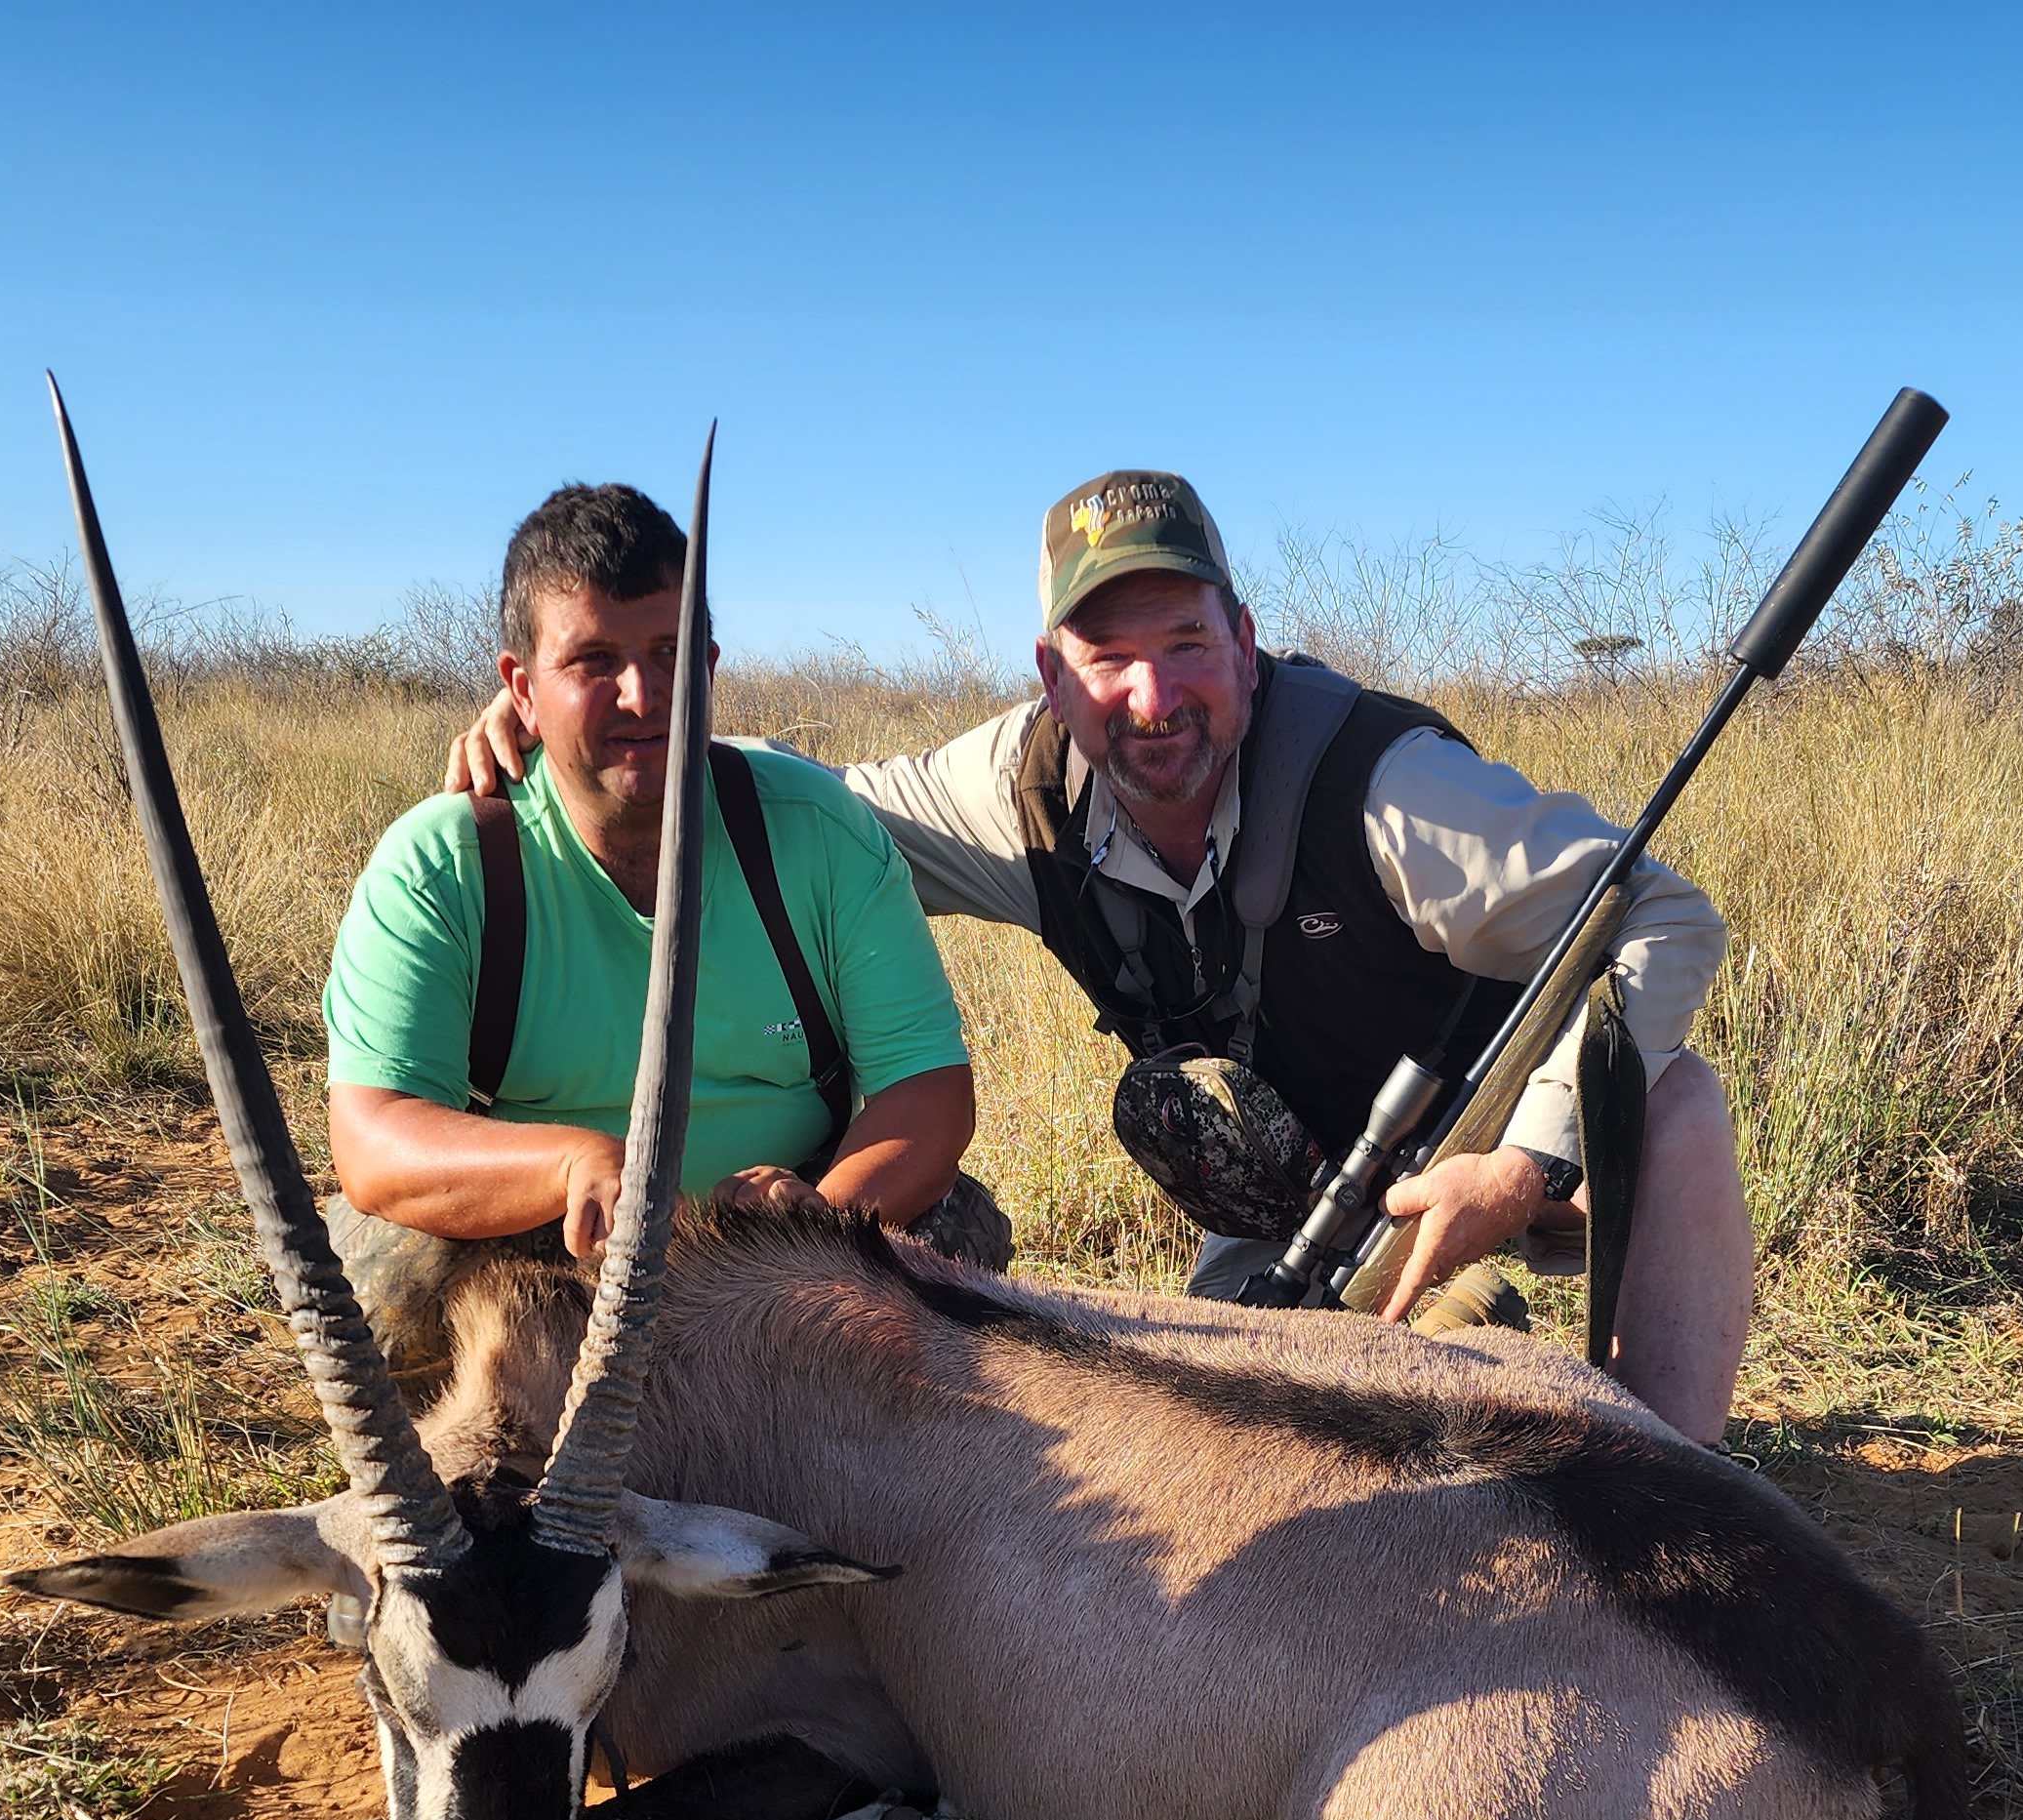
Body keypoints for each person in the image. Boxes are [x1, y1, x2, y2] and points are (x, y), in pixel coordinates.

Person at [455, 469, 1755, 1443]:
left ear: (1244, 642)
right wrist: (579, 736)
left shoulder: (1390, 794)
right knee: (1252, 1434)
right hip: (1305, 1217)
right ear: (1052, 674)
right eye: (1107, 657)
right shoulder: (1013, 791)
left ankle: (1686, 1475)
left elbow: (1665, 915)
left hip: (1498, 1172)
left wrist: (1519, 1167)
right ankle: (1443, 1354)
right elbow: (800, 820)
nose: (1150, 696)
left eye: (1186, 645)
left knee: (1676, 1102)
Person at [326, 480, 1002, 1346]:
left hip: (785, 1238)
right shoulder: (439, 863)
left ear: (709, 668)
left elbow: (930, 1094)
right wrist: (572, 1164)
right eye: (593, 661)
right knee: (379, 1279)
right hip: (552, 1243)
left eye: (669, 654)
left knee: (956, 1234)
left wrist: (816, 1223)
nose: (643, 695)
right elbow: (376, 1140)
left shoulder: (822, 831)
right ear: (521, 689)